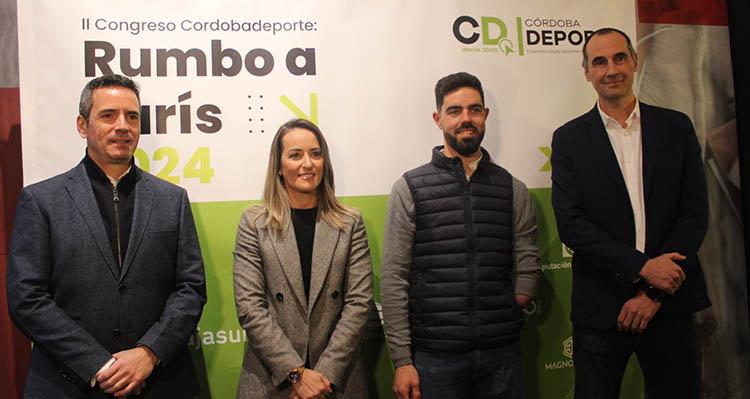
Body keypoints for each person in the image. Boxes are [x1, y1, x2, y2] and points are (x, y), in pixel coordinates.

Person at [6, 74, 207, 398]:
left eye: (132, 116)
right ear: (83, 125)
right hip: (69, 382)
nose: (123, 126)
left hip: (160, 381)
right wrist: (100, 365)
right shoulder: (42, 201)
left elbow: (191, 287)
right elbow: (26, 298)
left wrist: (149, 353)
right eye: (108, 115)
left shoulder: (172, 199)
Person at [550, 28, 710, 398]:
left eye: (620, 58)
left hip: (669, 302)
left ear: (635, 62)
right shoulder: (569, 139)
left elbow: (695, 214)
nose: (612, 70)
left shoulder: (676, 127)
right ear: (587, 72)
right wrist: (642, 266)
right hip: (602, 307)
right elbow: (572, 225)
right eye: (600, 62)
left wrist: (654, 290)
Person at [381, 72, 541, 399]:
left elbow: (527, 259)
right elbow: (394, 277)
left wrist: (514, 302)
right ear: (438, 118)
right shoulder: (410, 188)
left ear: (485, 116)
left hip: (503, 356)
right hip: (435, 358)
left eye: (474, 109)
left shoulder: (513, 189)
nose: (465, 119)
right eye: (455, 111)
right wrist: (402, 360)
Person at [233, 118, 373, 399]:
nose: (307, 164)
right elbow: (250, 307)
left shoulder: (350, 223)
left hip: (336, 381)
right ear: (279, 166)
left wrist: (323, 377)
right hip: (271, 382)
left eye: (315, 153)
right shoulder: (254, 223)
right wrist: (296, 374)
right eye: (295, 155)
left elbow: (359, 303)